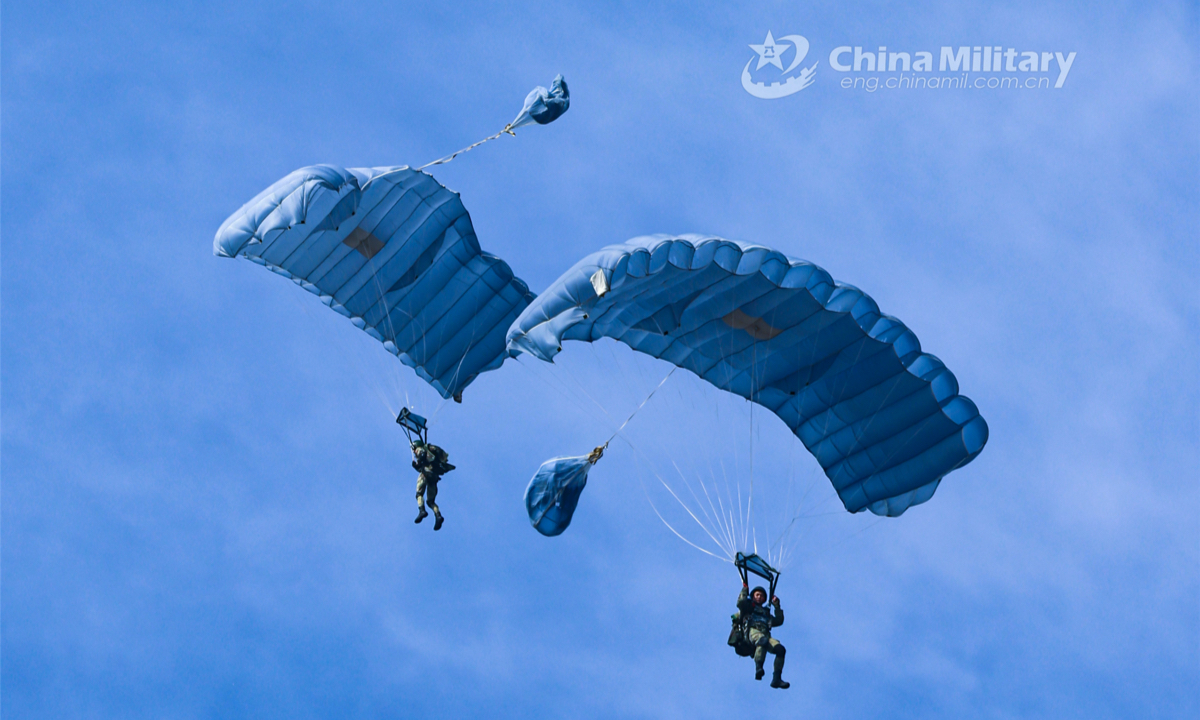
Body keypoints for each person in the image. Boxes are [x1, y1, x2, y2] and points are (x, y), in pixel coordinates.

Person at [736, 583, 789, 689]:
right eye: (757, 595)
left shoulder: (766, 613)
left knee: (780, 650)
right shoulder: (748, 607)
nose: (759, 597)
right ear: (753, 596)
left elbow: (779, 621)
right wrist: (744, 590)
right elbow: (741, 603)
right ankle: (758, 668)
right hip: (752, 631)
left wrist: (777, 606)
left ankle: (776, 679)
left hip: (765, 634)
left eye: (761, 596)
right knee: (762, 641)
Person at [412, 440, 454, 530]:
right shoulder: (432, 454)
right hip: (434, 476)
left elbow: (422, 455)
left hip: (425, 473)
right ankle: (438, 515)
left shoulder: (420, 449)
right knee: (430, 501)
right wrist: (417, 466)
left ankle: (422, 510)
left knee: (419, 494)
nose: (414, 453)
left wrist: (419, 463)